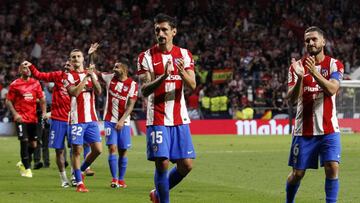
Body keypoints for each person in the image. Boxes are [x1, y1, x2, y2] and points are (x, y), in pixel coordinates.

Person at [137, 13, 196, 203]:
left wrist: (180, 72)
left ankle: (157, 194)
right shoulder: (145, 57)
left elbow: (192, 84)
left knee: (186, 165)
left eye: (164, 30)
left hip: (179, 118)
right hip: (157, 117)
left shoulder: (185, 54)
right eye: (157, 30)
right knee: (161, 162)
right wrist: (163, 76)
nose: (160, 33)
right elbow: (144, 90)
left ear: (173, 32)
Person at [285, 26, 344, 203]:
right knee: (298, 173)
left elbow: (333, 89)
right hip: (304, 131)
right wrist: (301, 78)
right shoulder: (296, 67)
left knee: (332, 167)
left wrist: (314, 73)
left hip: (329, 130)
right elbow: (291, 100)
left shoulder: (334, 64)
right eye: (307, 40)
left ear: (323, 41)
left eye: (314, 39)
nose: (310, 43)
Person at [22, 60, 73, 187]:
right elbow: (40, 75)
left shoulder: (80, 79)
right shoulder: (58, 75)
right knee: (59, 150)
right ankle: (63, 179)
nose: (66, 66)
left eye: (69, 64)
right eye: (65, 64)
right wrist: (31, 66)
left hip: (74, 120)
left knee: (75, 150)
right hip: (58, 120)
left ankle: (75, 176)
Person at [63, 49, 102, 193]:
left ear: (83, 58)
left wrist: (91, 75)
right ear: (70, 60)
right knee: (77, 150)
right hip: (76, 119)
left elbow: (98, 91)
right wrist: (85, 78)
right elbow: (74, 92)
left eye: (78, 56)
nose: (76, 59)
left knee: (97, 150)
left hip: (91, 119)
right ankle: (79, 183)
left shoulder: (90, 73)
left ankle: (79, 171)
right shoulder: (68, 76)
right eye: (73, 57)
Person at [5, 62, 47, 178]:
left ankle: (23, 161)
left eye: (28, 68)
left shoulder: (36, 83)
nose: (27, 70)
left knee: (33, 144)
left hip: (33, 118)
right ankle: (27, 169)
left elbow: (42, 99)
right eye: (24, 68)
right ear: (19, 70)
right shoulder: (15, 84)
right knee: (24, 141)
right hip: (21, 118)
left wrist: (43, 113)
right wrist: (15, 114)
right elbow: (8, 101)